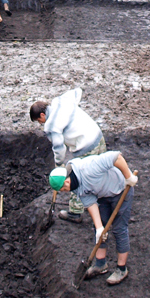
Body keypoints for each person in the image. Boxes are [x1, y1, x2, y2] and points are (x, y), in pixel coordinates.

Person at [48, 151, 138, 285]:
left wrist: (128, 177)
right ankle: (100, 265)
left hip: (121, 189)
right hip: (102, 195)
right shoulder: (74, 185)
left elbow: (116, 157)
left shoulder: (89, 168)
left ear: (66, 182)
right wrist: (99, 228)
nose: (65, 192)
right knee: (99, 227)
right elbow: (90, 202)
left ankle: (121, 269)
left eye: (63, 190)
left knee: (119, 230)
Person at [30, 88, 107, 223]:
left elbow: (59, 147)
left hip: (85, 146)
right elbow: (77, 91)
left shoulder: (51, 125)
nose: (40, 124)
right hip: (97, 135)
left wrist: (59, 166)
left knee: (77, 178)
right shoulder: (60, 101)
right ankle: (106, 198)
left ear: (42, 115)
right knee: (101, 168)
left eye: (39, 121)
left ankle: (75, 213)